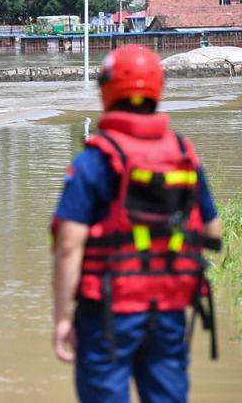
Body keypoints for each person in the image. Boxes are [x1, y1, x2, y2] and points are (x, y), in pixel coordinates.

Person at [50, 45, 222, 403]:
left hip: (109, 312)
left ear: (107, 89)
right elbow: (212, 231)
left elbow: (68, 245)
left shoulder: (95, 161)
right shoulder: (184, 155)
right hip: (169, 308)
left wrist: (62, 317)